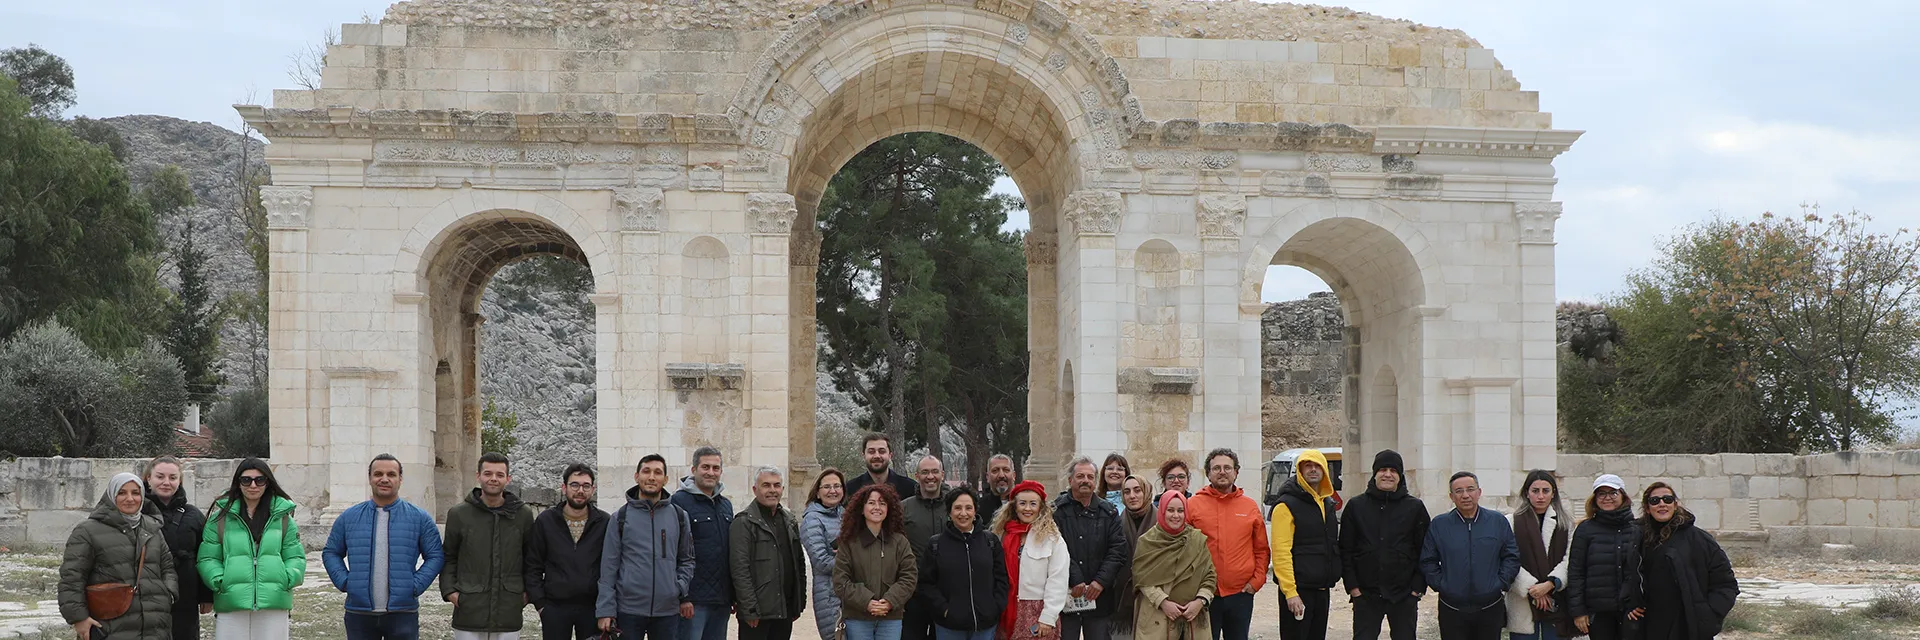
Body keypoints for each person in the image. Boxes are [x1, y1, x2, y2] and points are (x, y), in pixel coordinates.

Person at [324, 453, 446, 640]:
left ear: (400, 479)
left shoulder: (419, 518)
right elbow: (331, 552)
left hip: (402, 613)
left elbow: (436, 555)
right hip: (359, 613)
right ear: (370, 478)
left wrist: (415, 585)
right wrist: (345, 582)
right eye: (378, 474)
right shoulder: (349, 518)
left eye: (391, 474)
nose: (384, 479)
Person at [58, 472, 178, 639]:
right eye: (122, 493)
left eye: (135, 493)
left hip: (155, 624)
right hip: (110, 625)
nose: (129, 498)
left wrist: (168, 593)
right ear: (111, 496)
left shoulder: (152, 528)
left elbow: (167, 567)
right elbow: (72, 577)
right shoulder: (87, 531)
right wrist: (79, 618)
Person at [199, 458, 306, 639]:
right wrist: (220, 581)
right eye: (246, 480)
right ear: (238, 483)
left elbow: (295, 556)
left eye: (260, 480)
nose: (253, 485)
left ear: (267, 483)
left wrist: (287, 578)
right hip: (231, 600)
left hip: (273, 599)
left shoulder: (283, 519)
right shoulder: (220, 519)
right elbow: (208, 558)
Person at [597, 454, 696, 640]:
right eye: (646, 471)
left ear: (665, 479)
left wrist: (678, 587)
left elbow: (687, 559)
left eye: (658, 472)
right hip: (629, 610)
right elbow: (608, 568)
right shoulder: (620, 518)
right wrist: (606, 609)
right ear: (636, 476)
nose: (652, 477)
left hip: (667, 612)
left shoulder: (680, 517)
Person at [444, 452, 537, 639]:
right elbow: (449, 556)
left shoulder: (523, 515)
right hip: (469, 607)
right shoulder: (458, 514)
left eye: (499, 475)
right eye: (488, 473)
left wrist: (527, 594)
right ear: (478, 476)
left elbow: (531, 558)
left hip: (509, 608)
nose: (493, 479)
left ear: (508, 479)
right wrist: (450, 592)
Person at [1337, 450, 1428, 640]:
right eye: (1383, 469)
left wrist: (1416, 589)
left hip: (1404, 595)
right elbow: (1346, 549)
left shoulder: (1415, 508)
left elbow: (1425, 551)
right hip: (1366, 595)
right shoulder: (1356, 506)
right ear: (1375, 474)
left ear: (1400, 476)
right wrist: (1353, 588)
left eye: (1393, 470)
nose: (1388, 474)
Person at [1419, 472, 1518, 640]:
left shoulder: (1497, 521)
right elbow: (1428, 560)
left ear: (1479, 492)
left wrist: (1500, 582)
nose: (1465, 495)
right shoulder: (1439, 524)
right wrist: (1442, 585)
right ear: (1451, 496)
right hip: (1452, 607)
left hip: (1490, 605)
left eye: (1470, 489)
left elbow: (1511, 556)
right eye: (1458, 491)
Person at [1635, 482, 1739, 640]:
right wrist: (1630, 604)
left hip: (1688, 624)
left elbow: (1725, 583)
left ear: (1675, 505)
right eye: (1655, 501)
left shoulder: (1699, 539)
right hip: (1649, 625)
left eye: (1667, 499)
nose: (1662, 504)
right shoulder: (1637, 539)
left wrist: (1709, 614)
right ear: (1648, 508)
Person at [1187, 449, 1268, 640]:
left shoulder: (1249, 506)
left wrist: (1256, 582)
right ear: (1208, 473)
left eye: (1227, 468)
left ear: (1236, 472)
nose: (1222, 472)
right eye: (1216, 468)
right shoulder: (1193, 505)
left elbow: (1261, 549)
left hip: (1241, 594)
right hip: (1205, 595)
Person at [527, 463, 610, 640]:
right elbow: (533, 564)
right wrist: (540, 604)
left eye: (586, 486)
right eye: (575, 485)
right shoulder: (546, 521)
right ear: (564, 487)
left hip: (592, 607)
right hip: (554, 607)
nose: (580, 490)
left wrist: (606, 607)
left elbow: (610, 565)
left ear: (592, 489)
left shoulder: (604, 522)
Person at [1053, 457, 1129, 640]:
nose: (1085, 480)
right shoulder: (1057, 511)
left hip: (1099, 598)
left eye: (1090, 476)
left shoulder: (1109, 512)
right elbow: (1055, 547)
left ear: (1095, 481)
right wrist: (1075, 578)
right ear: (1070, 480)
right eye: (1080, 476)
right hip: (1066, 595)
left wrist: (1100, 582)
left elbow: (1117, 550)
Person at [920, 487, 1010, 640]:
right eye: (957, 508)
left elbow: (1002, 578)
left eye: (968, 508)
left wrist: (994, 607)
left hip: (984, 625)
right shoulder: (936, 544)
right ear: (949, 512)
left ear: (975, 511)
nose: (963, 513)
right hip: (949, 627)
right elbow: (926, 583)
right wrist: (944, 609)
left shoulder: (990, 541)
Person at [835, 484, 921, 640]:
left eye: (882, 503)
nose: (877, 507)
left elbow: (909, 576)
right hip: (857, 617)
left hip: (890, 617)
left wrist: (889, 601)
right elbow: (840, 581)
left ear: (889, 509)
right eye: (871, 502)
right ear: (862, 509)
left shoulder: (900, 542)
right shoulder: (849, 543)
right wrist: (867, 601)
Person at [730, 466, 807, 640]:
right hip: (757, 614)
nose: (772, 490)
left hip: (784, 610)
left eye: (777, 485)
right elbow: (739, 569)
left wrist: (798, 603)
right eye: (766, 485)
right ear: (755, 490)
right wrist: (750, 610)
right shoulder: (743, 523)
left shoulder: (790, 521)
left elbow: (798, 563)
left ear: (782, 489)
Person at [1266, 449, 1334, 640]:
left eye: (1317, 466)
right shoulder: (1285, 506)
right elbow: (1281, 552)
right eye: (1308, 466)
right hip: (1298, 592)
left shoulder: (1326, 504)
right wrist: (1290, 592)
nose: (1313, 470)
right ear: (1300, 471)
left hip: (1321, 590)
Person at [1129, 490, 1214, 640]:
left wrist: (1200, 601)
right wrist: (1163, 602)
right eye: (1170, 510)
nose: (1176, 515)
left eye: (1181, 511)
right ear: (1161, 511)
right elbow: (1142, 578)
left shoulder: (1197, 540)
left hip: (1193, 619)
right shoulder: (1148, 541)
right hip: (1157, 618)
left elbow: (1210, 575)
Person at [144, 456, 213, 640]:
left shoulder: (193, 515)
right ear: (149, 479)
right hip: (147, 590)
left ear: (179, 481)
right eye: (160, 476)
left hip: (186, 592)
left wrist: (206, 595)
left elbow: (205, 555)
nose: (166, 482)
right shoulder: (137, 512)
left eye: (173, 477)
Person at [670, 447, 735, 640]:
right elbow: (674, 553)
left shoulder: (725, 505)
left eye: (716, 468)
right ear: (694, 469)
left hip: (721, 601)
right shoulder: (678, 502)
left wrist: (732, 595)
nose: (711, 472)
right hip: (692, 602)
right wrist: (683, 597)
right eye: (705, 467)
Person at [993, 480, 1070, 640]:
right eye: (1022, 503)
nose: (1027, 508)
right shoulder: (1003, 534)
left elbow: (1058, 579)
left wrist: (1048, 616)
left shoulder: (1052, 538)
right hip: (1007, 609)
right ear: (1014, 506)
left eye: (1033, 504)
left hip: (1038, 611)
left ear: (1040, 507)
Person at [1568, 474, 1641, 640]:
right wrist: (1578, 611)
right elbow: (1576, 572)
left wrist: (1640, 603)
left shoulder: (1637, 529)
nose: (1607, 498)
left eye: (1613, 493)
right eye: (1602, 493)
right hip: (1599, 612)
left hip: (1631, 611)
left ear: (1623, 496)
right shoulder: (1585, 530)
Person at [1506, 470, 1572, 640]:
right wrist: (1535, 589)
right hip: (1523, 599)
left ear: (1553, 494)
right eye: (1535, 491)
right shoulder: (1510, 522)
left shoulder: (1565, 522)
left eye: (1546, 490)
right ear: (1527, 493)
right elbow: (1508, 559)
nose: (1540, 496)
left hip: (1557, 596)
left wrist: (1550, 584)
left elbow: (1570, 559)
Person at [903, 455, 952, 640]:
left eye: (934, 471)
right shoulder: (904, 508)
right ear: (917, 475)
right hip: (914, 593)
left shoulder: (955, 506)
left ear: (942, 474)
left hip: (946, 593)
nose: (930, 476)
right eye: (925, 472)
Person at [803, 469, 850, 640]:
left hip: (850, 592)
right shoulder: (812, 519)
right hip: (829, 595)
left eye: (837, 486)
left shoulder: (845, 514)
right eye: (827, 487)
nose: (833, 491)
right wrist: (851, 559)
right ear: (817, 491)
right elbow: (821, 562)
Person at [1111, 475, 1154, 640]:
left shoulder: (1161, 521)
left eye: (1137, 490)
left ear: (1146, 492)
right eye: (1127, 491)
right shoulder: (1115, 522)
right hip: (1122, 598)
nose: (1132, 496)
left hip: (1154, 601)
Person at [846, 433, 918, 501]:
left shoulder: (910, 488)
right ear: (864, 455)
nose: (877, 456)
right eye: (871, 451)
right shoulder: (850, 489)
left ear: (890, 455)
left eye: (882, 451)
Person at [977, 455, 1018, 522]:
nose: (1001, 475)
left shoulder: (1023, 505)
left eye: (1006, 470)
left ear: (1014, 475)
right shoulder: (978, 507)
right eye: (995, 471)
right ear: (987, 477)